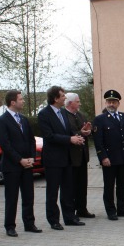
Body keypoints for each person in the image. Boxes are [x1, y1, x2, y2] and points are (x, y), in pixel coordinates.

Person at [37, 85, 85, 230]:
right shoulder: (44, 114)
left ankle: (69, 217)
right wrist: (69, 139)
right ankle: (53, 220)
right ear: (55, 98)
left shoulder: (63, 112)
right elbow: (49, 136)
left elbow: (68, 131)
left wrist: (78, 135)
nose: (65, 98)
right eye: (63, 96)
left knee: (68, 190)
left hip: (67, 158)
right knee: (53, 191)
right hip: (53, 159)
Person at [0, 90, 40, 237]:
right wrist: (20, 160)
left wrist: (31, 157)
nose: (23, 101)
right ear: (12, 102)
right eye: (21, 99)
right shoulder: (2, 120)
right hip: (12, 166)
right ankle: (10, 226)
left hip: (27, 165)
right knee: (11, 197)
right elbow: (5, 145)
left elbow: (31, 140)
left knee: (28, 196)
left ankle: (29, 223)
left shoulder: (24, 119)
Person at [93, 89, 124, 220]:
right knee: (109, 186)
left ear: (118, 103)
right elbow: (98, 141)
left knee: (122, 184)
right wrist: (103, 157)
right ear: (106, 103)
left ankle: (122, 208)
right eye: (109, 102)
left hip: (123, 157)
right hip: (110, 159)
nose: (111, 104)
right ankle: (111, 211)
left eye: (114, 102)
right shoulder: (100, 119)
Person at [64, 92, 95, 219]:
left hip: (82, 156)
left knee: (82, 184)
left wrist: (88, 130)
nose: (80, 103)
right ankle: (71, 211)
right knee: (72, 185)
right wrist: (80, 132)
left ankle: (82, 209)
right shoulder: (64, 116)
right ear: (70, 103)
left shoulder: (81, 115)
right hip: (71, 157)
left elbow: (84, 130)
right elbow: (67, 134)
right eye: (77, 101)